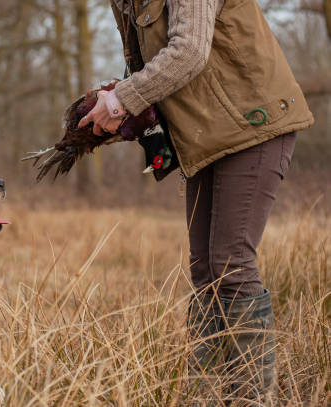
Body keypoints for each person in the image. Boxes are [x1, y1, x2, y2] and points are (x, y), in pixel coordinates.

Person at [79, 0, 314, 404]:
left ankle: (250, 398)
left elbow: (189, 50)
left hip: (252, 124)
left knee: (231, 264)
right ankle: (205, 394)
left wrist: (122, 101)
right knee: (205, 269)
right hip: (206, 134)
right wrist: (124, 113)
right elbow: (148, 69)